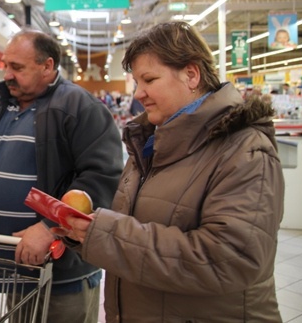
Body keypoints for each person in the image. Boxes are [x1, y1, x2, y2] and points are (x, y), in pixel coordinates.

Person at [61, 21, 284, 322]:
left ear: (191, 74)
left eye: (149, 79)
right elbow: (140, 226)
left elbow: (231, 259)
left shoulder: (245, 151)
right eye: (136, 82)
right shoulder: (150, 142)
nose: (139, 93)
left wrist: (104, 234)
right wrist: (86, 231)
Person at [0, 28, 123, 323]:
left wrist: (49, 226)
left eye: (17, 67)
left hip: (61, 274)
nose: (7, 75)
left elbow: (101, 177)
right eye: (6, 65)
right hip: (12, 266)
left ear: (47, 66)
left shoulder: (80, 108)